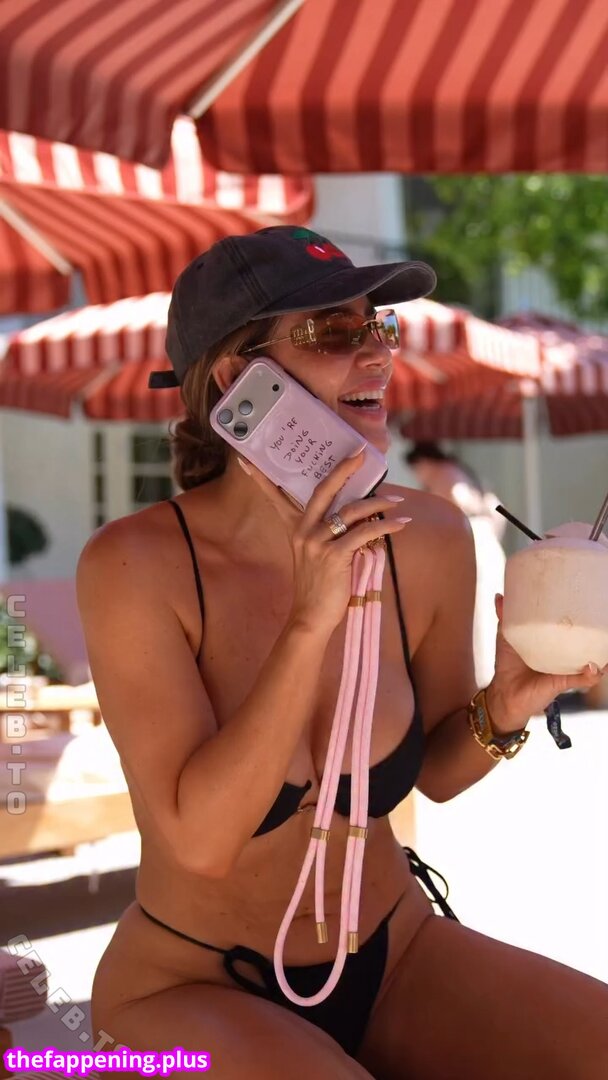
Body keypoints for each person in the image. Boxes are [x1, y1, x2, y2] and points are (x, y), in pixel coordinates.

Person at [77, 226, 608, 1080]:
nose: (379, 355)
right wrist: (309, 622)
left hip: (396, 954)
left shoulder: (430, 537)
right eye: (334, 332)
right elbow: (202, 845)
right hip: (189, 986)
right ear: (237, 380)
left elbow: (438, 772)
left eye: (380, 326)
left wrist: (506, 705)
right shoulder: (136, 566)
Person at [405, 442, 507, 688]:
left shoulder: (446, 475)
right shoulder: (460, 471)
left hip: (472, 542)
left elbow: (458, 500)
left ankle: (481, 676)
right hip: (485, 542)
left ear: (424, 462)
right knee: (483, 609)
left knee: (478, 609)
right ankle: (484, 674)